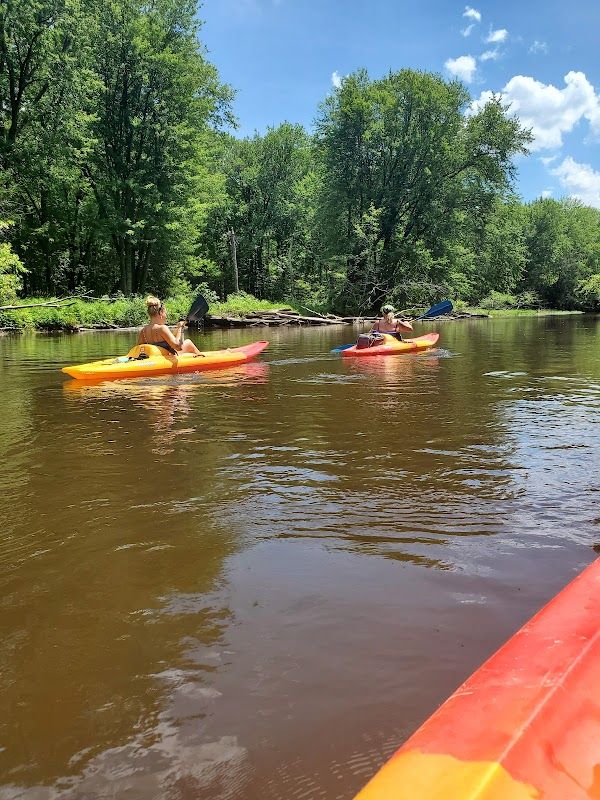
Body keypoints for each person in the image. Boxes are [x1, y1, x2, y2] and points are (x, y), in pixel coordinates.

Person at [138, 296, 202, 355]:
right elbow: (178, 347)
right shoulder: (162, 328)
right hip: (167, 358)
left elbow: (139, 350)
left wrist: (177, 328)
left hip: (157, 359)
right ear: (161, 312)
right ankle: (202, 360)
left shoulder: (143, 331)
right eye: (165, 313)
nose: (166, 316)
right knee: (188, 343)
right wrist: (181, 329)